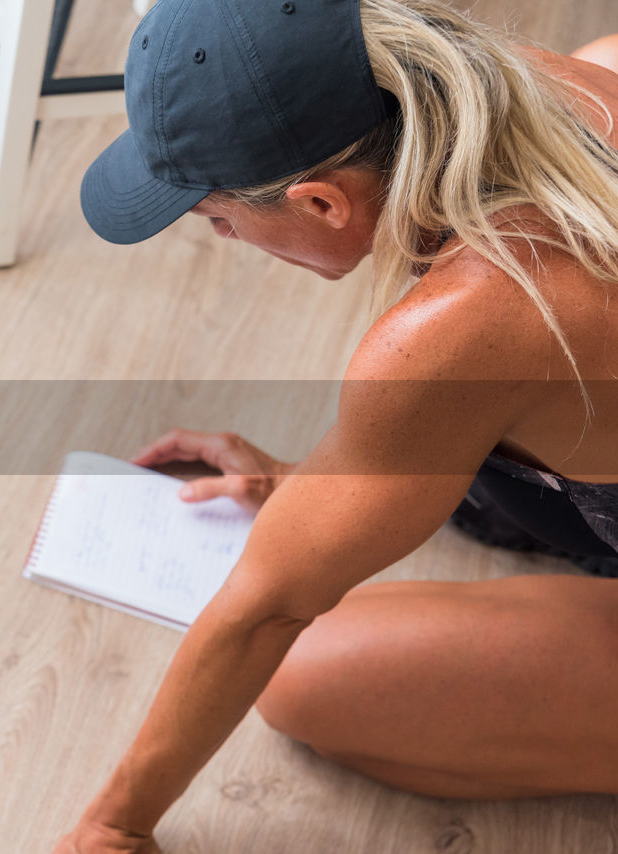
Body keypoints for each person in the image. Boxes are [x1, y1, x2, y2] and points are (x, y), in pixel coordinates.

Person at [58, 1, 618, 851]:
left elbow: (266, 612)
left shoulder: (467, 320)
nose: (226, 237)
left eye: (220, 220)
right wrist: (328, 489)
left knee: (306, 684)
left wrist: (111, 826)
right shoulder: (519, 86)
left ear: (321, 202)